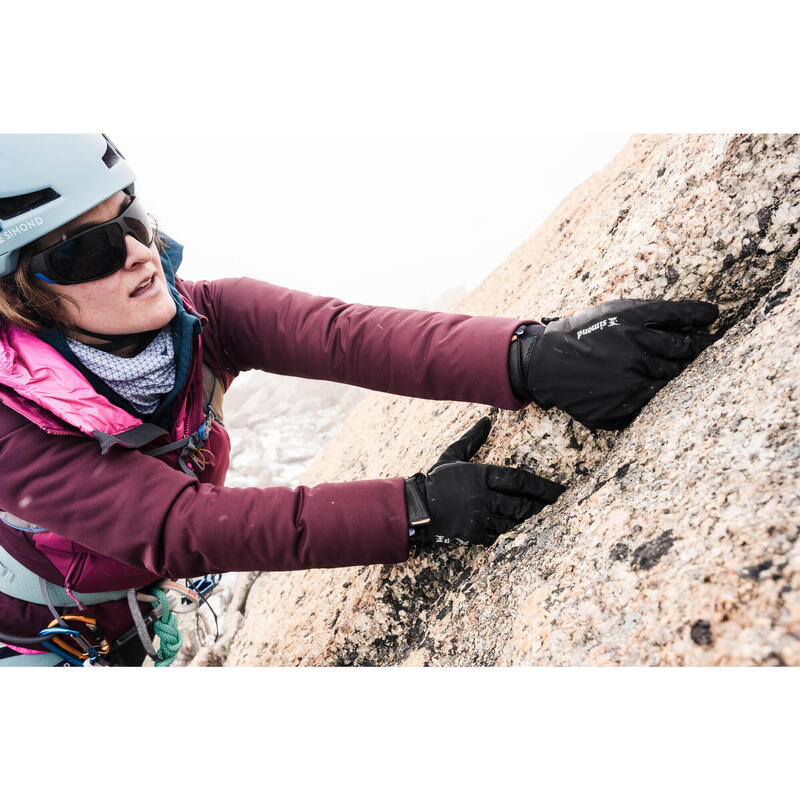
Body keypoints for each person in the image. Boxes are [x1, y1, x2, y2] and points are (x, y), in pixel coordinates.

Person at [0, 135, 719, 666]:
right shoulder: (10, 425)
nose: (137, 254)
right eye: (84, 250)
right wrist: (416, 510)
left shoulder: (197, 316)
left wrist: (530, 356)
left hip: (118, 611)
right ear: (18, 297)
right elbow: (179, 527)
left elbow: (344, 337)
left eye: (133, 219)